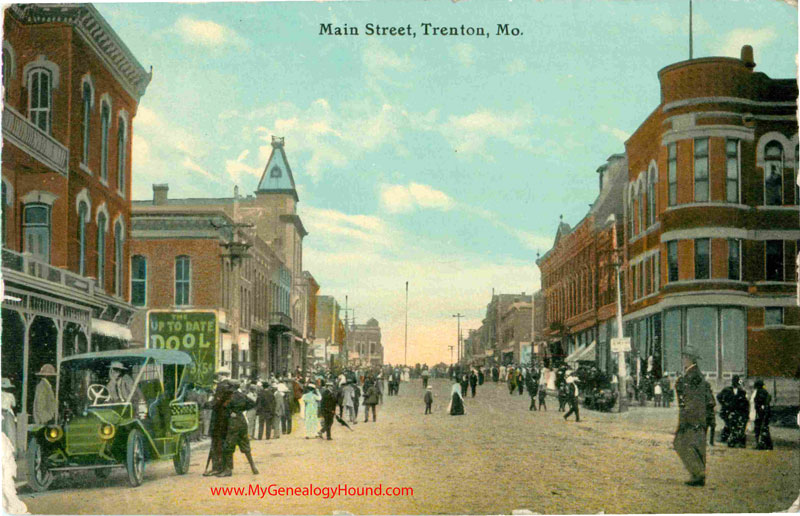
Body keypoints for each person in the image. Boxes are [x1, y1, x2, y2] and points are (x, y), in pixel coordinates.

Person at [673, 350, 715, 487]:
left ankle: (698, 474)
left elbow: (691, 399)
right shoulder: (696, 375)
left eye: (684, 357)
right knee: (696, 446)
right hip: (700, 417)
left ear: (689, 359)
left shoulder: (692, 376)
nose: (683, 360)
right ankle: (698, 474)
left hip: (692, 418)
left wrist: (687, 418)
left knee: (681, 443)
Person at [218, 379, 259, 476]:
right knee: (245, 445)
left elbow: (224, 408)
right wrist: (240, 410)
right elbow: (252, 404)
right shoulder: (242, 396)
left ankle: (228, 470)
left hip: (233, 423)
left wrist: (233, 412)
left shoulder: (229, 397)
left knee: (228, 446)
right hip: (242, 420)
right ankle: (253, 467)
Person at [204, 374, 233, 476]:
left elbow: (216, 403)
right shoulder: (229, 388)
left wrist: (206, 404)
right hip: (225, 422)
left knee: (218, 444)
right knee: (223, 444)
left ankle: (219, 468)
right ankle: (223, 467)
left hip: (219, 422)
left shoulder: (222, 387)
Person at [752, 379, 773, 450]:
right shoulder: (765, 392)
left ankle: (760, 444)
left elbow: (758, 402)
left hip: (761, 413)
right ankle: (768, 445)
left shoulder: (760, 392)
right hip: (765, 413)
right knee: (764, 428)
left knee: (758, 428)